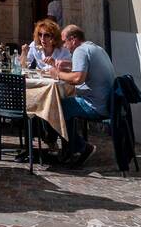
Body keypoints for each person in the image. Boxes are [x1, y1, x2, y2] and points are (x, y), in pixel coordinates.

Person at [45, 24, 117, 168]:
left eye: (65, 41)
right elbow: (84, 69)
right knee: (64, 105)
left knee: (57, 108)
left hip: (95, 105)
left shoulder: (80, 51)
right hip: (109, 103)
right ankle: (68, 148)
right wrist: (68, 65)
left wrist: (57, 73)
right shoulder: (95, 48)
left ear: (73, 39)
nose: (65, 46)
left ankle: (81, 147)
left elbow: (78, 78)